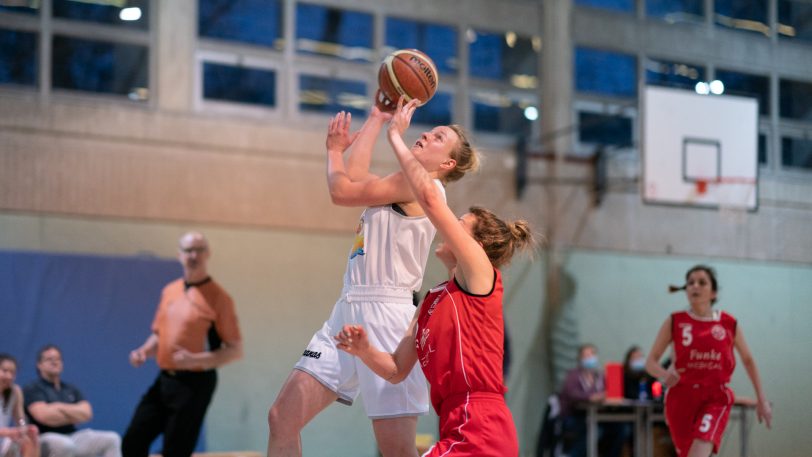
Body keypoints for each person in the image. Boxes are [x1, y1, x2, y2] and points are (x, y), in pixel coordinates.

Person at [266, 99, 478, 457]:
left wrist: (334, 151)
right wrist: (377, 119)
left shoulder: (423, 187)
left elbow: (341, 190)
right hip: (348, 307)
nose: (426, 132)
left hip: (388, 315)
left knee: (396, 451)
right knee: (281, 418)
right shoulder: (398, 184)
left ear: (447, 164)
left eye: (439, 136)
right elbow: (356, 178)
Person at [334, 97, 536, 456]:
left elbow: (429, 196)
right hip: (456, 422)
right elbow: (396, 369)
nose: (448, 227)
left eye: (459, 225)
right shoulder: (431, 299)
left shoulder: (479, 275)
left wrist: (396, 134)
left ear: (474, 244)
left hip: (482, 424)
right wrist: (364, 350)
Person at [122, 232, 243, 457]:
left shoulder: (219, 298)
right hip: (165, 379)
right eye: (188, 250)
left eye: (199, 249)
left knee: (176, 450)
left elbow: (235, 350)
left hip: (195, 384)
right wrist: (143, 351)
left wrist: (195, 360)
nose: (193, 255)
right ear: (179, 255)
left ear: (208, 254)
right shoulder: (170, 290)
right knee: (133, 440)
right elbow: (159, 334)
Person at [645, 265, 773, 457]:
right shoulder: (675, 321)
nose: (695, 286)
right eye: (690, 283)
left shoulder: (728, 323)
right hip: (680, 398)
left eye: (702, 282)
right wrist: (665, 374)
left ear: (713, 292)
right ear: (686, 290)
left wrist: (761, 399)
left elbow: (748, 359)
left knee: (699, 452)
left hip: (715, 399)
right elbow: (650, 363)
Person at [23, 345, 120, 457]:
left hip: (73, 435)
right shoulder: (33, 388)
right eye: (49, 359)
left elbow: (86, 414)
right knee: (65, 446)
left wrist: (58, 407)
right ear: (39, 365)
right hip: (44, 436)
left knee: (112, 439)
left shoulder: (70, 389)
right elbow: (44, 417)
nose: (54, 362)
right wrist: (72, 415)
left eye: (58, 359)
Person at [0, 354, 38, 457]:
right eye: (4, 371)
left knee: (28, 438)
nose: (9, 376)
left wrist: (24, 429)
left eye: (12, 372)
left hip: (3, 444)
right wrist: (7, 432)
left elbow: (20, 419)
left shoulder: (15, 392)